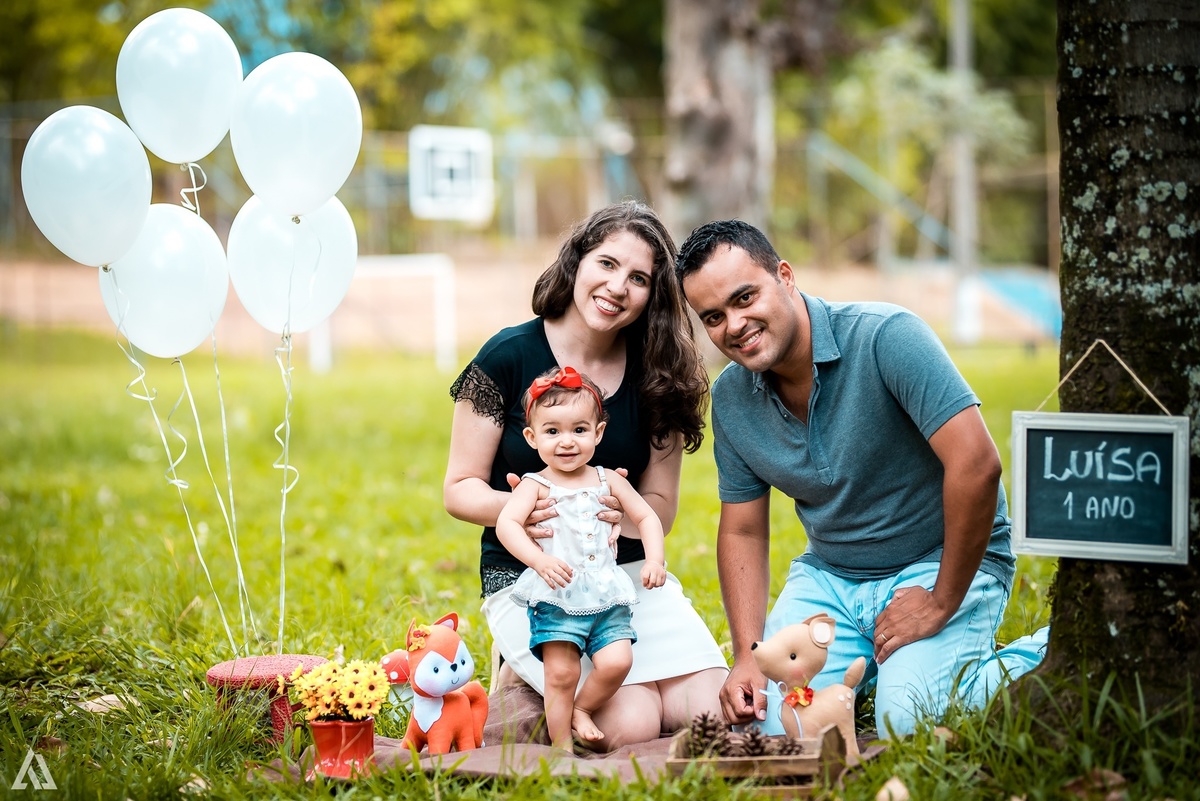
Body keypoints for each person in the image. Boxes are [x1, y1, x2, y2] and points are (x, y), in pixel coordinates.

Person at [674, 219, 1048, 737]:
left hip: (936, 564)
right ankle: (886, 666)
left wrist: (940, 601)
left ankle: (1057, 647)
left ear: (785, 276)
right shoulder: (734, 400)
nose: (733, 325)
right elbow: (742, 529)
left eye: (744, 298)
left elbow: (977, 464)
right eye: (713, 316)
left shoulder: (885, 337)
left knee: (906, 720)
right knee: (774, 724)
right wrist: (745, 653)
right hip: (832, 577)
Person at [444, 200, 728, 750]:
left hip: (623, 575)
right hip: (535, 579)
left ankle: (549, 683)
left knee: (709, 712)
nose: (618, 286)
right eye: (607, 263)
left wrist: (620, 507)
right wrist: (531, 507)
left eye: (639, 278)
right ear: (577, 261)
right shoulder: (506, 356)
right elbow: (459, 489)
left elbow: (660, 507)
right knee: (629, 724)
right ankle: (526, 678)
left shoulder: (661, 374)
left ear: (654, 295)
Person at [497, 366, 668, 749]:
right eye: (552, 431)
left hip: (606, 594)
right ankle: (561, 746)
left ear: (598, 433)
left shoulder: (610, 480)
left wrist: (655, 558)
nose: (567, 442)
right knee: (562, 672)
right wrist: (537, 561)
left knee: (617, 662)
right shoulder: (534, 485)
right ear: (532, 437)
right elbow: (508, 524)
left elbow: (645, 516)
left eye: (579, 429)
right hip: (557, 595)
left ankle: (582, 708)